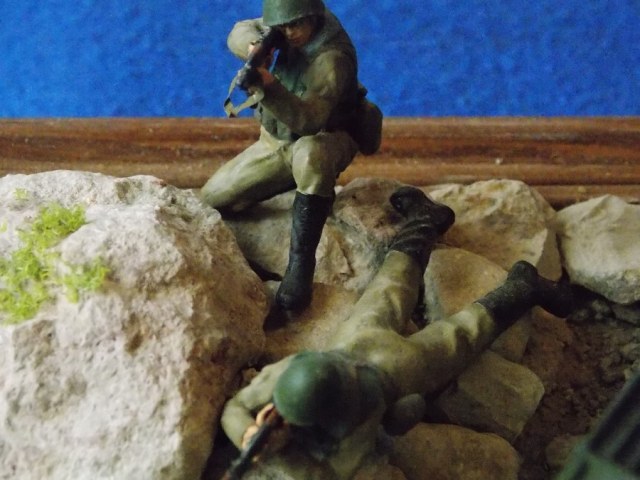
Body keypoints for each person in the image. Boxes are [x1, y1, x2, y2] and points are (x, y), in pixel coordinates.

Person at [220, 186, 574, 479]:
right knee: (394, 286)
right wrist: (251, 434)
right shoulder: (292, 380)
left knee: (457, 334)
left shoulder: (347, 420)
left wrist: (283, 455)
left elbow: (340, 468)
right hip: (359, 343)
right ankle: (434, 227)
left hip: (392, 368)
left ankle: (519, 285)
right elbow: (235, 411)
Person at [201, 0, 380, 312]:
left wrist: (268, 85)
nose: (289, 32)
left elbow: (309, 120)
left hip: (325, 136)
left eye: (296, 24)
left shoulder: (331, 60)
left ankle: (301, 266)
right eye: (283, 26)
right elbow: (238, 31)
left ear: (312, 16)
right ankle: (289, 182)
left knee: (311, 157)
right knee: (212, 198)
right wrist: (255, 47)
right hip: (276, 140)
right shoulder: (283, 28)